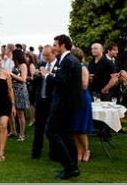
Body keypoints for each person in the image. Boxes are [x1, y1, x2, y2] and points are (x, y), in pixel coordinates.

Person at [46, 34, 83, 180]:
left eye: (55, 45)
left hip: (63, 104)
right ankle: (72, 168)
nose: (54, 48)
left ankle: (69, 166)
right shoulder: (72, 59)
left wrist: (47, 76)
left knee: (52, 133)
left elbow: (62, 83)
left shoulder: (67, 60)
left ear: (62, 45)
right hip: (69, 104)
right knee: (67, 135)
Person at [31, 45, 57, 160]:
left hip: (52, 100)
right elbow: (36, 83)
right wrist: (35, 75)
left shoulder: (59, 66)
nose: (45, 57)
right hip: (41, 99)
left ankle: (53, 153)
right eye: (44, 55)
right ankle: (36, 152)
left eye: (47, 55)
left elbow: (58, 82)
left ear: (54, 53)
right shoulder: (41, 64)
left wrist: (48, 74)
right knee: (39, 128)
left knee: (52, 128)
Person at [70, 47, 93, 163]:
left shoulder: (83, 68)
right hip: (73, 99)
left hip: (82, 99)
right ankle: (78, 151)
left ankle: (86, 151)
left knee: (81, 129)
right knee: (74, 128)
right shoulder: (72, 68)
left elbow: (84, 85)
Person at [10, 49, 30, 141]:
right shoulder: (15, 65)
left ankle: (22, 135)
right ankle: (14, 131)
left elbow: (23, 79)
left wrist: (11, 75)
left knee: (21, 114)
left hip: (21, 90)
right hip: (14, 90)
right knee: (16, 113)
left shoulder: (23, 65)